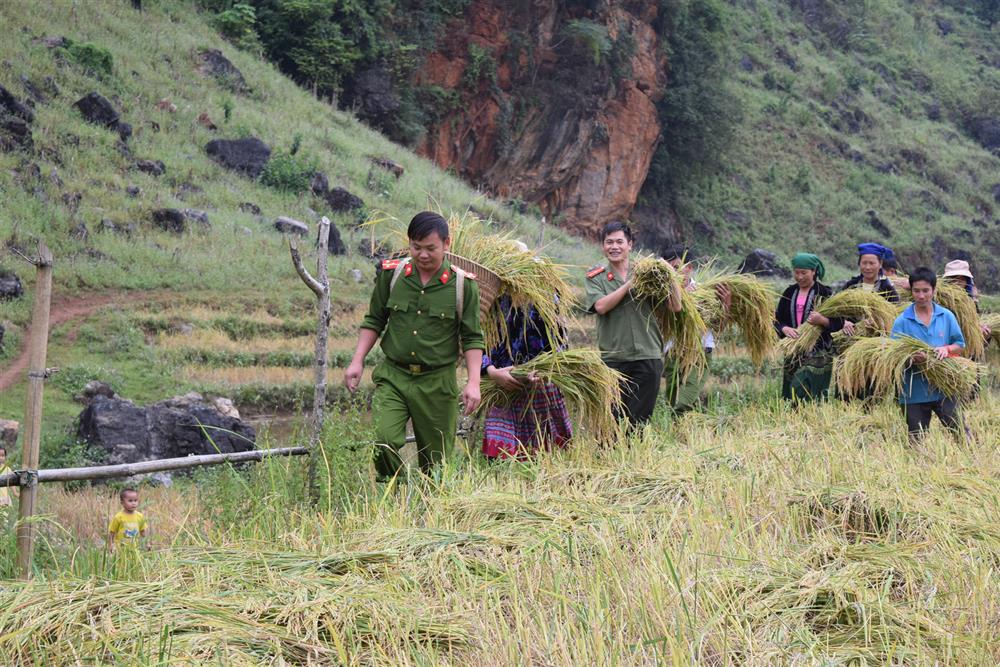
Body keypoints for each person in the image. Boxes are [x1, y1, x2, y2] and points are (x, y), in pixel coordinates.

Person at [345, 211, 485, 479]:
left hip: (437, 382)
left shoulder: (462, 286)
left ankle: (430, 508)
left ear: (446, 244)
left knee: (436, 463)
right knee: (383, 440)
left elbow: (472, 337)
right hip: (394, 376)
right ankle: (395, 492)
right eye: (415, 247)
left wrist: (473, 382)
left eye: (430, 248)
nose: (422, 255)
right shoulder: (392, 276)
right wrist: (357, 360)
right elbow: (374, 320)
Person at [585, 221, 681, 426]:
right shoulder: (596, 276)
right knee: (612, 420)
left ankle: (634, 457)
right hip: (614, 357)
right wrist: (631, 283)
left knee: (639, 422)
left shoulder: (649, 272)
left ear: (630, 244)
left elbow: (675, 307)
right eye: (609, 242)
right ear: (602, 246)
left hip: (648, 354)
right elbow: (601, 306)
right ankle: (611, 457)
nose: (614, 247)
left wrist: (670, 275)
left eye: (620, 241)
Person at [481, 292, 572, 459]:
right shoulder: (491, 297)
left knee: (545, 457)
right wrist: (491, 371)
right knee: (501, 461)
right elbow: (475, 341)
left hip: (540, 384)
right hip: (501, 385)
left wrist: (541, 371)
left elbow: (560, 345)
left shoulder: (548, 298)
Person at [890, 267, 968, 442]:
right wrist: (911, 358)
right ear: (911, 291)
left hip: (944, 387)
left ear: (934, 290)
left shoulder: (946, 316)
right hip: (913, 392)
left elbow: (960, 345)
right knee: (917, 441)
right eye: (916, 291)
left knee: (962, 434)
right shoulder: (902, 321)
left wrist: (946, 349)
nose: (921, 296)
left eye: (925, 290)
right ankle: (920, 469)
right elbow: (893, 356)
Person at [660, 244, 731, 414]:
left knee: (684, 401)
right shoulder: (661, 295)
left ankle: (682, 426)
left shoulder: (704, 292)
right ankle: (677, 433)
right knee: (671, 400)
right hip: (673, 352)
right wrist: (683, 298)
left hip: (700, 352)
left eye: (677, 267)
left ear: (689, 268)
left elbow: (718, 327)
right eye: (669, 269)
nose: (673, 273)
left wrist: (726, 304)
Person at [775, 253, 843, 401]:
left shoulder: (825, 293)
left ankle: (812, 421)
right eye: (796, 272)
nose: (799, 277)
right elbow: (777, 319)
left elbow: (839, 322)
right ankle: (793, 422)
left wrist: (822, 320)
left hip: (818, 351)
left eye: (804, 273)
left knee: (809, 392)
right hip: (793, 350)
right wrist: (784, 329)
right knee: (790, 394)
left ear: (814, 271)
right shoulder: (789, 292)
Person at [942, 259, 991, 340]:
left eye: (962, 279)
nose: (957, 283)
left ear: (967, 281)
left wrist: (984, 334)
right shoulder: (939, 302)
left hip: (966, 350)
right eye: (953, 279)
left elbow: (977, 342)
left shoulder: (971, 304)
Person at [107, 488, 147, 553]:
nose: (133, 503)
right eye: (130, 501)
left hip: (135, 548)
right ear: (122, 503)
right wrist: (110, 545)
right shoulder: (118, 517)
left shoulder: (140, 516)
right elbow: (112, 532)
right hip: (121, 549)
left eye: (135, 500)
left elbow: (143, 531)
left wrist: (146, 544)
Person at [0, 447, 17, 524]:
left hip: (4, 499)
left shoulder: (7, 469)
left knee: (4, 521)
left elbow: (12, 481)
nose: (1, 458)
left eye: (3, 455)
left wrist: (15, 492)